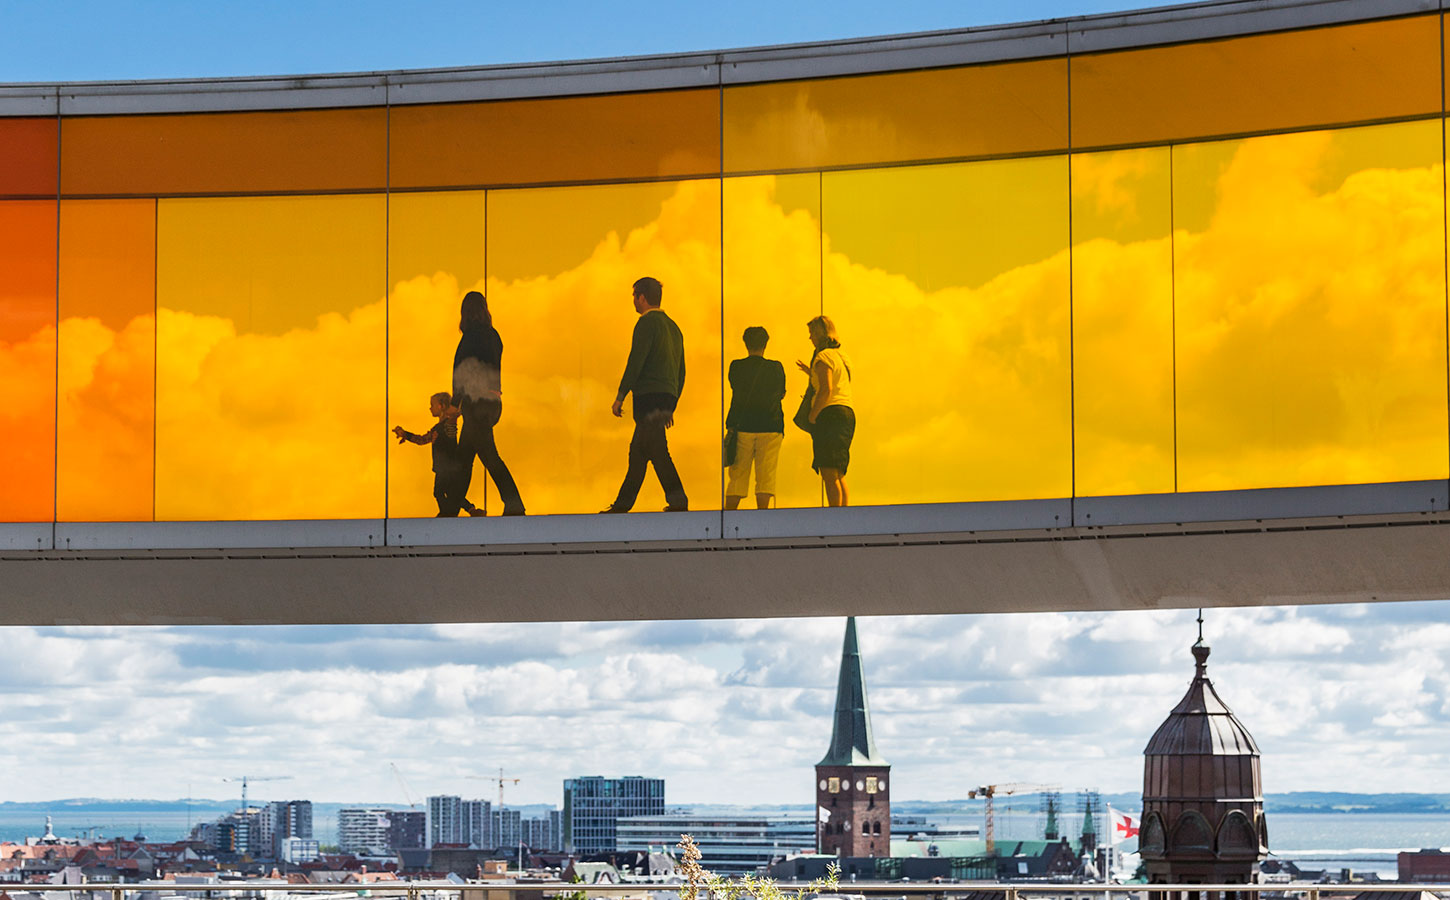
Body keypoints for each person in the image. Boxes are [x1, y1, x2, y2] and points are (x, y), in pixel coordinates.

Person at [602, 276, 688, 513]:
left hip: (648, 395)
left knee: (657, 450)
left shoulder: (646, 324)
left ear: (641, 297)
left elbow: (635, 362)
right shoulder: (674, 328)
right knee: (639, 451)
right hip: (666, 396)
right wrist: (672, 403)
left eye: (634, 296)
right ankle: (623, 504)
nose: (633, 301)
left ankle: (678, 499)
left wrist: (621, 395)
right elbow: (681, 371)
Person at [453, 291, 526, 516]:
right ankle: (451, 507)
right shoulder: (494, 336)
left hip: (476, 404)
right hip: (493, 402)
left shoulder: (470, 338)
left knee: (487, 456)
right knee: (464, 459)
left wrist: (455, 404)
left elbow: (461, 373)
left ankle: (514, 503)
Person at [392, 392, 483, 518]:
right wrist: (405, 434)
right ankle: (470, 510)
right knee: (451, 492)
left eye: (432, 405)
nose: (430, 408)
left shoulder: (448, 425)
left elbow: (454, 418)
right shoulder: (437, 428)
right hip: (444, 467)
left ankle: (446, 513)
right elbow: (422, 440)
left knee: (439, 491)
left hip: (446, 467)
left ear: (441, 406)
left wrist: (458, 410)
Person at [725, 326, 786, 510]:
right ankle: (762, 517)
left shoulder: (736, 366)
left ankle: (729, 517)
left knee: (737, 475)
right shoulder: (775, 367)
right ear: (766, 344)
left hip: (742, 425)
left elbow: (734, 386)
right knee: (766, 476)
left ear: (745, 343)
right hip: (770, 425)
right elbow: (781, 393)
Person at [797, 315, 854, 507]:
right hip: (846, 413)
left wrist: (812, 415)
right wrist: (810, 371)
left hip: (830, 415)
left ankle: (834, 515)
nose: (810, 338)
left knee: (828, 472)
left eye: (811, 333)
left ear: (819, 334)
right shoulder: (841, 356)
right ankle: (844, 514)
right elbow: (837, 382)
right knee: (838, 472)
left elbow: (826, 389)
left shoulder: (822, 357)